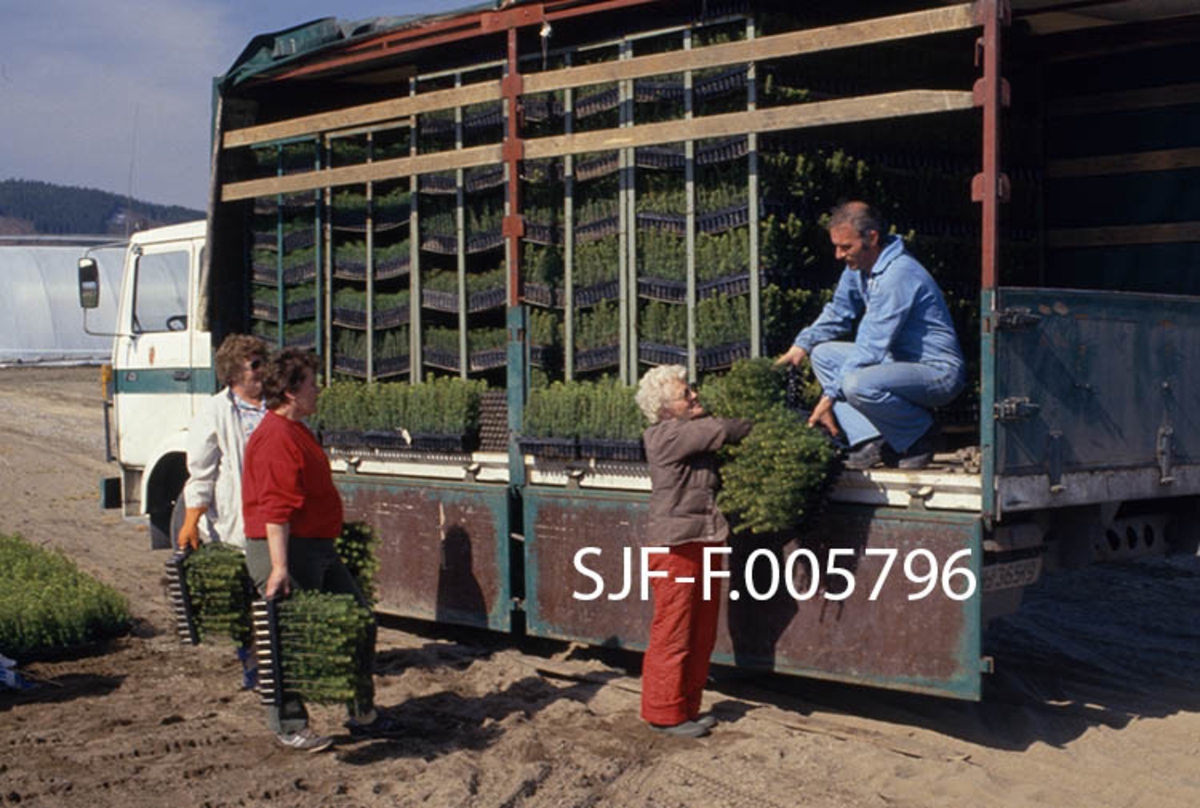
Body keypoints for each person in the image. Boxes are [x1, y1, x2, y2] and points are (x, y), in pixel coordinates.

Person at [241, 348, 401, 752]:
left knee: (359, 619)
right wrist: (278, 567)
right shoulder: (275, 437)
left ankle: (361, 710)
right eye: (312, 383)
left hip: (316, 547)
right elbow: (276, 508)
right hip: (287, 550)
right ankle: (289, 724)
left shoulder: (298, 430)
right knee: (291, 638)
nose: (319, 390)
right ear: (292, 392)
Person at [776, 201, 966, 470]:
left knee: (856, 383)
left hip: (937, 374)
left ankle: (921, 434)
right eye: (836, 246)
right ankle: (873, 441)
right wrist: (800, 346)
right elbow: (839, 311)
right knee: (823, 354)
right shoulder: (858, 269)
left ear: (872, 238)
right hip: (897, 364)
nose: (838, 255)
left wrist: (828, 397)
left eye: (846, 247)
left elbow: (870, 346)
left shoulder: (898, 275)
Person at [635, 365, 751, 738]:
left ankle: (687, 707)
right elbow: (724, 430)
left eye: (692, 390)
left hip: (704, 539)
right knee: (674, 630)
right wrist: (763, 420)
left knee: (700, 630)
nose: (695, 396)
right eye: (686, 394)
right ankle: (662, 714)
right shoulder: (665, 436)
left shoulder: (688, 433)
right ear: (666, 408)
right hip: (676, 547)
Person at [177, 333, 268, 689]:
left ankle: (275, 654)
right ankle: (251, 660)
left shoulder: (276, 404)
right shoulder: (216, 411)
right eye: (254, 365)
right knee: (245, 593)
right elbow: (201, 470)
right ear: (233, 374)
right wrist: (191, 520)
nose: (262, 371)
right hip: (239, 516)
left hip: (279, 511)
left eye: (264, 362)